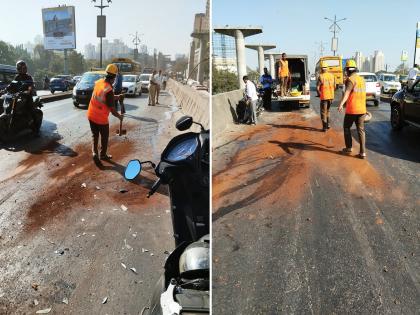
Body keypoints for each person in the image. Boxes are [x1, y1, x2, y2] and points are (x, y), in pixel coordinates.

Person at [86, 63, 124, 162]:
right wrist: (119, 116)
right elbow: (111, 109)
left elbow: (103, 98)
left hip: (91, 114)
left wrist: (117, 96)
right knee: (104, 137)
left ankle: (94, 153)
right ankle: (103, 155)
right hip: (101, 119)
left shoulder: (99, 82)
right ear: (114, 77)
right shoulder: (109, 90)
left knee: (95, 135)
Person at [337, 59, 367, 159]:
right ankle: (362, 153)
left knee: (346, 127)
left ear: (348, 70)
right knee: (361, 130)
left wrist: (341, 104)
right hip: (362, 109)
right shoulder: (362, 79)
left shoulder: (350, 80)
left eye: (346, 70)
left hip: (352, 110)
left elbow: (347, 93)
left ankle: (349, 147)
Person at [317, 61, 335, 131]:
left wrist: (319, 93)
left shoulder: (321, 76)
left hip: (324, 97)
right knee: (328, 111)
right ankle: (328, 124)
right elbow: (335, 86)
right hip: (331, 96)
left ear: (321, 69)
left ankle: (324, 127)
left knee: (323, 112)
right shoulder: (332, 76)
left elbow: (318, 88)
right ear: (327, 68)